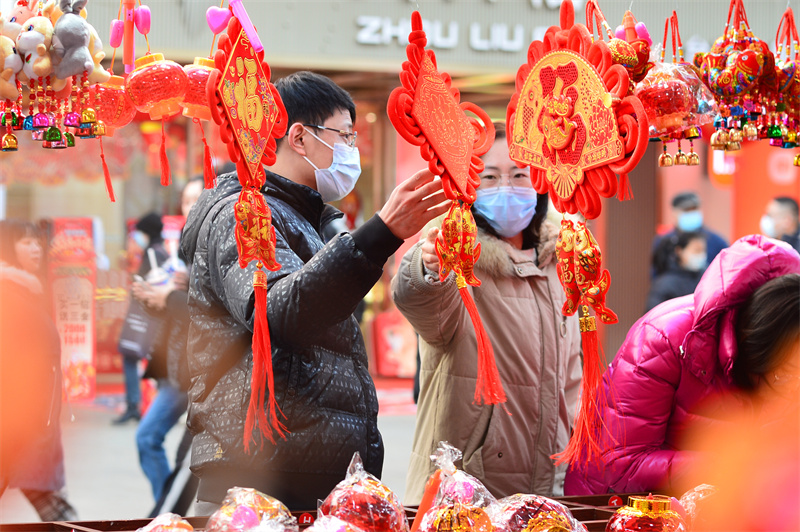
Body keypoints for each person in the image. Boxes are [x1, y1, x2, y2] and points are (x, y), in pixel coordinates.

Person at [180, 70, 449, 512]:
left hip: (300, 469)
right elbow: (281, 312)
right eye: (344, 135)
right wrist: (380, 234)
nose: (352, 150)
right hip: (259, 478)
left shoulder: (308, 219)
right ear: (299, 137)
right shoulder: (242, 212)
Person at [391, 123, 583, 503]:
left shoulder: (560, 261)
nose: (506, 187)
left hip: (553, 484)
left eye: (519, 175)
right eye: (490, 177)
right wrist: (430, 266)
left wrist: (578, 450)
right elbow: (419, 299)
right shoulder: (458, 257)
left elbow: (572, 379)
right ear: (470, 186)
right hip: (466, 492)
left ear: (541, 182)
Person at [564, 235, 800, 496]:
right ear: (757, 346)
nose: (791, 387)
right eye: (784, 375)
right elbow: (622, 464)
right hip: (615, 505)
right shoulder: (663, 338)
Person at [0, 219, 78, 521]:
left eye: (37, 242)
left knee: (49, 499)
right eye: (26, 242)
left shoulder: (25, 289)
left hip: (30, 420)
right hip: (20, 422)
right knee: (52, 505)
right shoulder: (10, 293)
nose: (36, 249)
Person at [132, 177, 204, 505]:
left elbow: (206, 312)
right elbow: (180, 308)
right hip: (175, 367)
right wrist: (155, 299)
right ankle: (167, 506)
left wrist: (171, 298)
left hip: (198, 369)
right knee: (152, 440)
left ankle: (165, 510)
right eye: (186, 201)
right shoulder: (185, 247)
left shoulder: (212, 245)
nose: (190, 207)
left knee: (160, 443)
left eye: (197, 199)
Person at [113, 213, 169, 425]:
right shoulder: (158, 251)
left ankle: (135, 406)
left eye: (140, 232)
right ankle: (139, 406)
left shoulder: (154, 254)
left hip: (147, 318)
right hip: (151, 317)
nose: (137, 236)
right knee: (144, 358)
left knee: (132, 356)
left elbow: (157, 285)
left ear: (147, 232)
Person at [651, 191, 727, 277]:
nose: (691, 213)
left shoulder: (716, 241)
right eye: (686, 210)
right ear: (674, 212)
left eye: (694, 209)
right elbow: (656, 274)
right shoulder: (664, 241)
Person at [645, 230, 706, 312]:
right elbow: (652, 315)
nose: (701, 255)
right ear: (679, 251)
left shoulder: (706, 278)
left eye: (703, 250)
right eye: (696, 250)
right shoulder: (664, 284)